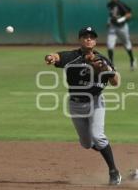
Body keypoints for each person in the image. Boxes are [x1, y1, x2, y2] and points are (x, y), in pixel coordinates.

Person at [44, 26, 121, 185]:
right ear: (80, 40)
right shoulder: (72, 56)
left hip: (95, 102)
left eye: (91, 37)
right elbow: (56, 56)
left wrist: (105, 69)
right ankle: (103, 147)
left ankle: (114, 171)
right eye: (85, 36)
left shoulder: (102, 60)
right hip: (75, 104)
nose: (88, 39)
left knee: (98, 137)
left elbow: (116, 82)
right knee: (86, 144)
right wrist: (50, 57)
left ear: (95, 41)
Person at [107, 0, 136, 71]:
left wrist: (120, 19)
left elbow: (129, 14)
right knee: (110, 45)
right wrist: (109, 22)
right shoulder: (109, 5)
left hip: (122, 27)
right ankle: (111, 64)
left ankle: (132, 60)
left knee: (127, 44)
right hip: (113, 27)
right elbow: (111, 15)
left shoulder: (121, 4)